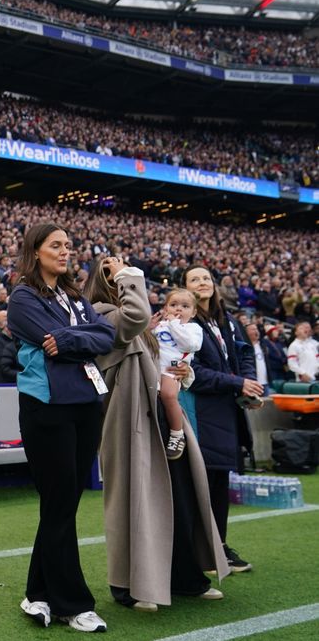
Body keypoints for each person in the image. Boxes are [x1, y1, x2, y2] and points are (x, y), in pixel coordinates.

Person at [85, 257, 228, 614]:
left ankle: (184, 577)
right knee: (135, 503)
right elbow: (132, 319)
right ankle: (128, 586)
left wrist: (185, 372)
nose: (118, 274)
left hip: (159, 416)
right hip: (129, 419)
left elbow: (163, 359)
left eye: (120, 271)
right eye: (110, 272)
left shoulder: (142, 318)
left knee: (179, 498)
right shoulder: (102, 313)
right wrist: (128, 276)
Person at [7, 222, 115, 633]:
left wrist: (70, 339)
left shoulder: (74, 295)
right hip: (46, 407)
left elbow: (107, 334)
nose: (66, 251)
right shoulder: (22, 296)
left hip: (86, 403)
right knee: (59, 503)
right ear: (36, 251)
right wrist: (77, 337)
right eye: (56, 245)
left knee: (62, 505)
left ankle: (37, 594)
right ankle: (74, 603)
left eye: (69, 245)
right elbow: (47, 336)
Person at [183, 265, 262, 573]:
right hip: (200, 411)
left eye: (206, 278)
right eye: (194, 279)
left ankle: (218, 547)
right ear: (184, 288)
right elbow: (194, 374)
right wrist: (236, 383)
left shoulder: (226, 320)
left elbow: (244, 353)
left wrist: (248, 386)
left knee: (218, 482)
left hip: (226, 410)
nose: (202, 283)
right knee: (201, 484)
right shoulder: (185, 323)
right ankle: (201, 551)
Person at [154, 288, 204, 460]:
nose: (178, 309)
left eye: (185, 306)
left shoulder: (193, 328)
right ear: (166, 308)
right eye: (173, 305)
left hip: (172, 370)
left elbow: (190, 345)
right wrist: (148, 327)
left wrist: (174, 324)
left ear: (194, 312)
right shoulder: (161, 326)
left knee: (169, 395)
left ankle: (177, 433)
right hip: (152, 368)